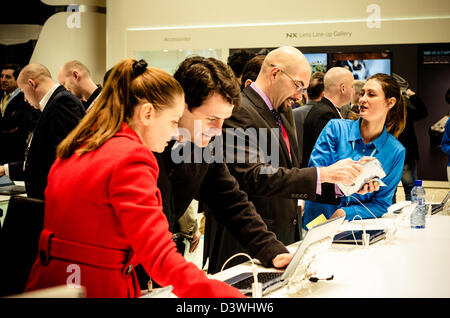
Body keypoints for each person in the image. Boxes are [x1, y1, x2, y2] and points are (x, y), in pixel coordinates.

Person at [24, 58, 244, 298]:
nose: (174, 133)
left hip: (52, 284)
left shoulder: (79, 145)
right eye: (172, 121)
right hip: (98, 287)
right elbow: (159, 257)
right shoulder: (132, 157)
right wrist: (230, 298)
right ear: (147, 113)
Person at [133, 56, 295, 285]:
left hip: (158, 271)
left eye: (223, 120)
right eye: (211, 119)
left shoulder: (202, 146)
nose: (218, 131)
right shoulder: (138, 148)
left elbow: (231, 201)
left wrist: (272, 250)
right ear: (182, 105)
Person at [206, 47, 369, 273]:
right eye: (297, 85)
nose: (300, 95)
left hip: (283, 240)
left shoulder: (283, 111)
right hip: (248, 244)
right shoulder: (239, 109)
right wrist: (324, 174)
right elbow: (253, 176)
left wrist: (341, 186)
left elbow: (288, 175)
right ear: (275, 74)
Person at [302, 73, 407, 228]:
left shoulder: (395, 151)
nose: (362, 99)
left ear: (390, 102)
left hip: (356, 229)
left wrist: (345, 213)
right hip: (317, 223)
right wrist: (353, 175)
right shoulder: (336, 128)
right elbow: (315, 174)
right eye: (362, 93)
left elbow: (381, 204)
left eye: (371, 94)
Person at [0, 63, 85, 199]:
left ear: (31, 84)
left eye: (23, 92)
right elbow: (44, 157)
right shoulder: (54, 104)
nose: (25, 99)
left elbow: (65, 160)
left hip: (58, 198)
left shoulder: (62, 102)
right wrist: (6, 169)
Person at [302, 67, 355, 167]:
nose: (353, 90)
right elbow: (324, 159)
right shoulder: (326, 115)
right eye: (352, 86)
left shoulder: (324, 109)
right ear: (342, 88)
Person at [0, 64, 40, 164]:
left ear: (18, 79)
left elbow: (29, 123)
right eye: (2, 76)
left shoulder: (26, 98)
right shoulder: (1, 96)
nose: (3, 80)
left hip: (16, 153)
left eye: (8, 77)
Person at [293, 71, 325, 167]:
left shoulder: (292, 114)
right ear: (323, 94)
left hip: (295, 168)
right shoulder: (327, 115)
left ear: (305, 93)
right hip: (320, 169)